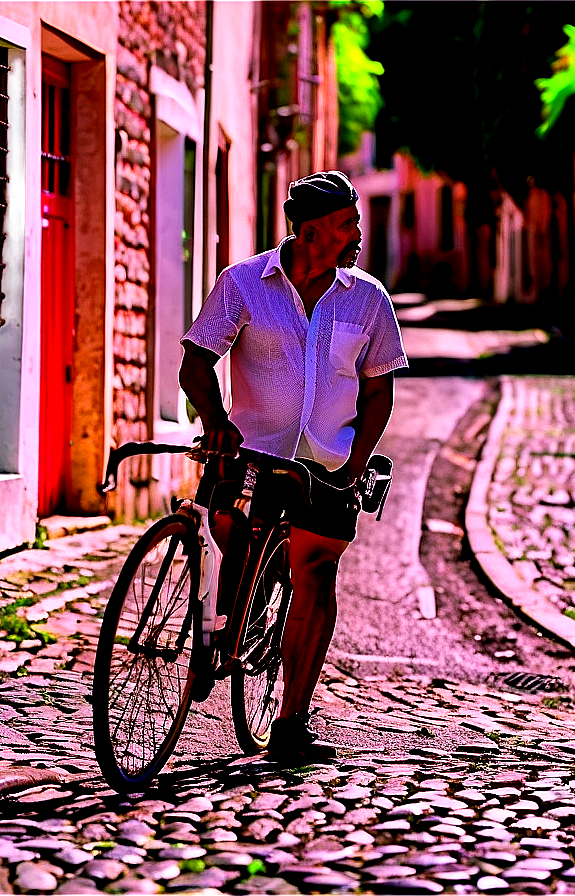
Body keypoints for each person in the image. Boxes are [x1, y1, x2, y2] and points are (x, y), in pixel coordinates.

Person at [179, 170, 407, 756]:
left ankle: (291, 722)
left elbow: (378, 389)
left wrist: (356, 461)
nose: (356, 232)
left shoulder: (369, 299)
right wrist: (217, 423)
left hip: (326, 464)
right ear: (309, 232)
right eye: (344, 223)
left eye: (354, 221)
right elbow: (196, 364)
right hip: (250, 452)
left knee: (315, 575)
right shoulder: (244, 283)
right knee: (230, 544)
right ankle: (216, 635)